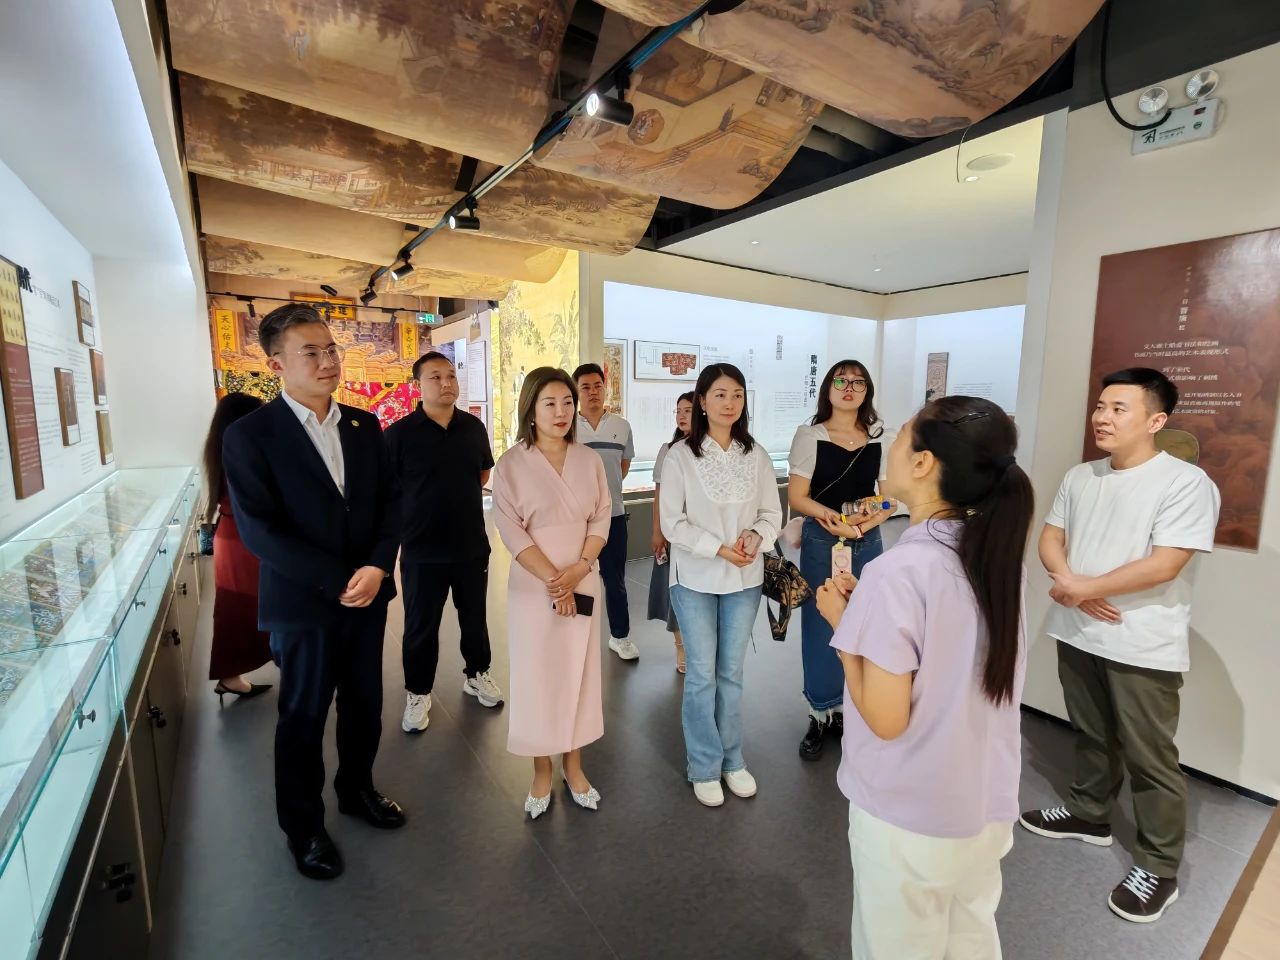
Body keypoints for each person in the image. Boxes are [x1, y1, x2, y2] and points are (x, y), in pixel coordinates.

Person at [815, 395, 1032, 959]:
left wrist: (844, 630)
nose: (889, 443)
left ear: (922, 463)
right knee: (970, 941)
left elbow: (887, 719)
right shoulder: (996, 562)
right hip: (983, 803)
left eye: (901, 434)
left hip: (910, 816)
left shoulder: (898, 572)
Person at [1019, 368, 1220, 924]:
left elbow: (1165, 563)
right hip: (1077, 628)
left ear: (1156, 420)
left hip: (1142, 641)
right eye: (1100, 406)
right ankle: (1089, 813)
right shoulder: (1081, 475)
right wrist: (1072, 586)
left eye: (1118, 409)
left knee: (1149, 755)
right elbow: (1051, 536)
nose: (1102, 417)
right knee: (1091, 732)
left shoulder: (1184, 482)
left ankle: (1159, 864)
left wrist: (1082, 588)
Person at [223, 303, 405, 882]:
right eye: (311, 352)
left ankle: (357, 788)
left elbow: (390, 506)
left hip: (367, 596)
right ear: (276, 363)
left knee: (365, 704)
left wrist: (377, 566)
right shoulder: (250, 435)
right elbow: (259, 530)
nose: (328, 361)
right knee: (302, 716)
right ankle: (303, 828)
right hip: (304, 603)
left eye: (331, 350)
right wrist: (337, 579)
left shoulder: (364, 426)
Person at [491, 367, 612, 820]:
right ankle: (541, 770)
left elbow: (601, 517)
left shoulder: (589, 460)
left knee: (579, 673)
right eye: (550, 403)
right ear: (531, 409)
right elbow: (511, 530)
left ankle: (574, 766)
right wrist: (554, 582)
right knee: (537, 677)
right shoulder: (511, 465)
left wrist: (578, 569)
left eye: (567, 403)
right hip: (533, 587)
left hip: (582, 578)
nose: (561, 412)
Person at [660, 363, 782, 808]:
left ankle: (733, 760)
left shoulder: (757, 454)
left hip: (744, 579)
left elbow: (772, 513)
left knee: (731, 673)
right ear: (702, 401)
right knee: (701, 674)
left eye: (737, 395)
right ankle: (704, 765)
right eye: (720, 394)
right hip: (694, 578)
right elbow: (672, 523)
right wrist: (719, 549)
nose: (730, 403)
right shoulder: (681, 456)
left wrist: (756, 537)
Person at [384, 351, 502, 734]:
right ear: (417, 385)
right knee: (420, 626)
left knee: (475, 618)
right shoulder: (399, 435)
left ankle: (477, 674)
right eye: (435, 377)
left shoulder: (473, 428)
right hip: (421, 550)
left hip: (470, 546)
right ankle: (418, 691)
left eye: (451, 375)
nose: (446, 383)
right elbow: (387, 490)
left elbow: (482, 474)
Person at [788, 360, 893, 761]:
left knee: (865, 625)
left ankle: (854, 709)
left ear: (867, 391)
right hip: (823, 540)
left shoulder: (881, 436)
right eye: (841, 381)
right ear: (828, 389)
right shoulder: (810, 435)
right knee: (820, 625)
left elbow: (888, 497)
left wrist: (871, 520)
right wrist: (832, 518)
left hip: (867, 541)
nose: (849, 388)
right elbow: (797, 497)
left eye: (858, 382)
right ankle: (819, 712)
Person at [200, 392, 272, 704]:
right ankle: (231, 675)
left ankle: (231, 674)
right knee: (247, 607)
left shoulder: (222, 447)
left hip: (233, 535)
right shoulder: (241, 450)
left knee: (237, 607)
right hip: (244, 539)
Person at [573, 363, 638, 661]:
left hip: (613, 515)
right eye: (585, 387)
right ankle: (576, 638)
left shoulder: (621, 426)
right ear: (576, 391)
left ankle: (620, 637)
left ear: (605, 387)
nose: (592, 392)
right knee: (577, 579)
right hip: (576, 520)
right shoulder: (568, 427)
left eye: (597, 385)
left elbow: (622, 468)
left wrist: (604, 495)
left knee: (615, 581)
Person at [648, 392, 694, 674]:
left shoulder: (708, 449)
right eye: (678, 410)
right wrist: (657, 531)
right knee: (675, 594)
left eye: (688, 410)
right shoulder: (668, 450)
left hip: (702, 536)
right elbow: (659, 495)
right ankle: (681, 648)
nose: (681, 415)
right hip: (674, 534)